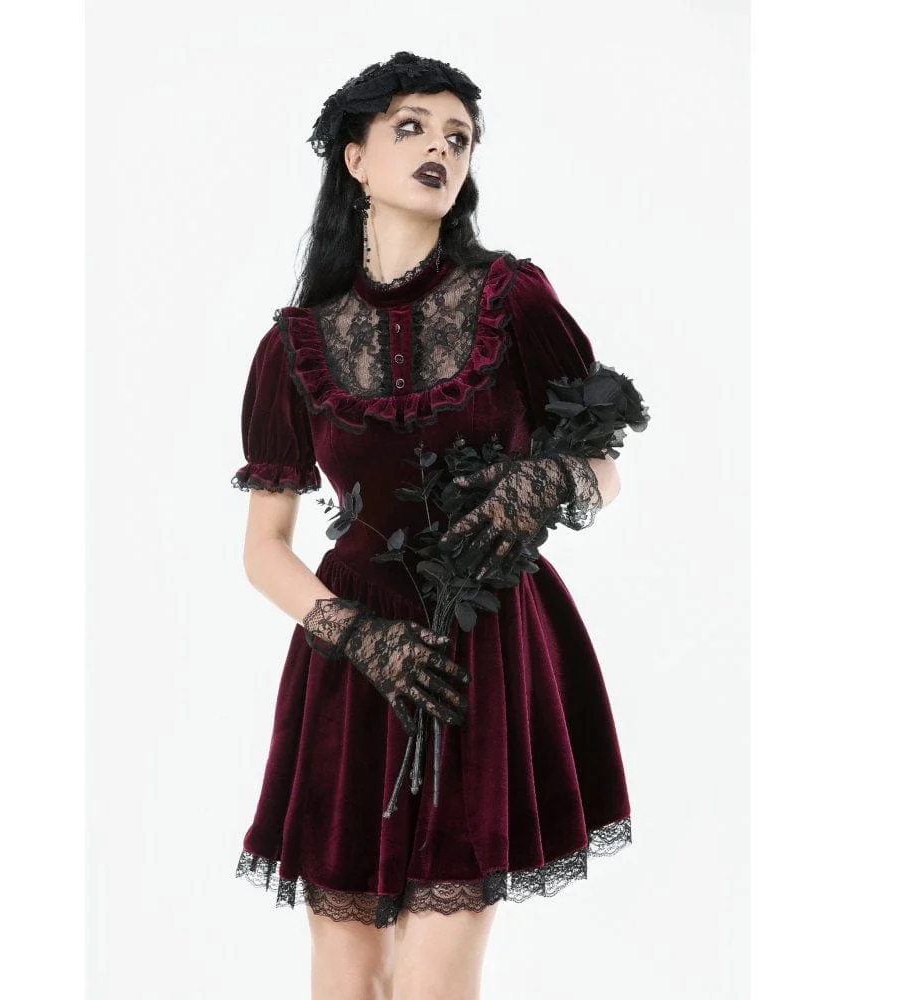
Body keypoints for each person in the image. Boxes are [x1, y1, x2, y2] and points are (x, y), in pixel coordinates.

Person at [231, 51, 633, 1000]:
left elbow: (605, 465)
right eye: (411, 127)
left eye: (459, 138)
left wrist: (544, 484)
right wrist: (357, 635)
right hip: (351, 657)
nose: (440, 149)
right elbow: (264, 550)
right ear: (355, 159)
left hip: (481, 649)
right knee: (345, 977)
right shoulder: (292, 346)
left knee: (432, 980)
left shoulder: (513, 299)